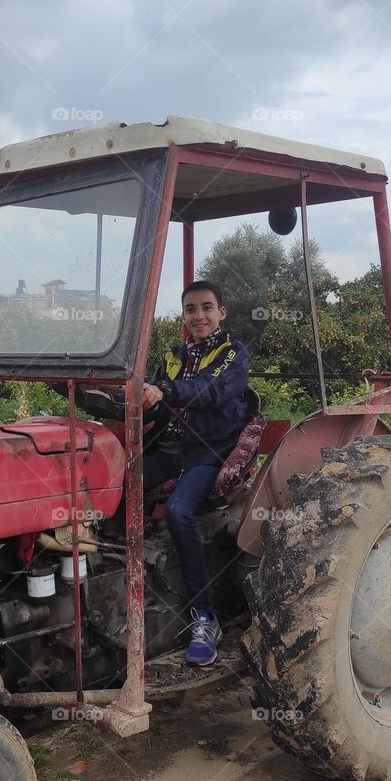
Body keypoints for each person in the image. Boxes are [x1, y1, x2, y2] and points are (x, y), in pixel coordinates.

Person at [141, 281, 250, 666]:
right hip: (170, 448)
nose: (198, 315)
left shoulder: (232, 354)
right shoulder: (173, 357)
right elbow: (152, 395)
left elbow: (209, 391)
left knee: (178, 511)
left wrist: (165, 393)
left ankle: (205, 617)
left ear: (221, 313)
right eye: (190, 309)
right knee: (113, 488)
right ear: (183, 315)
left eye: (206, 307)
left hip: (209, 450)